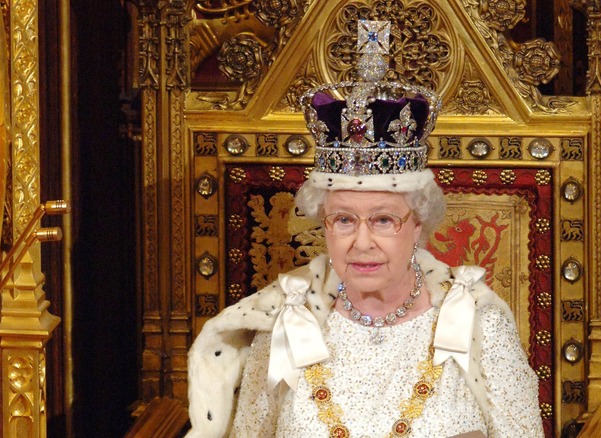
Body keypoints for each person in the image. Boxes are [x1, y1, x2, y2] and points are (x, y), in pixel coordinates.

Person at [187, 20, 542, 438]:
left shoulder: (476, 323)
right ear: (325, 224)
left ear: (418, 224)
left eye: (383, 220)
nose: (361, 242)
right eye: (343, 220)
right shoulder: (288, 323)